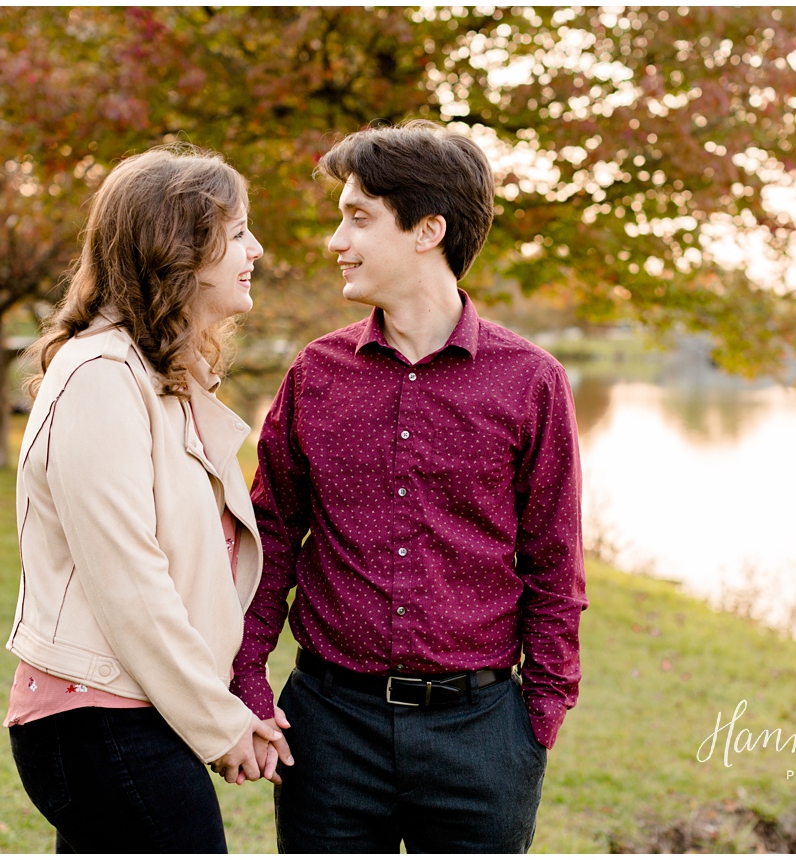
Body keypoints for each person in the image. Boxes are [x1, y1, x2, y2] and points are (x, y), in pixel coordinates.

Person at [229, 121, 587, 853]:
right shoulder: (315, 375)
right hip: (328, 729)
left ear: (428, 230)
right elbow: (269, 534)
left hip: (482, 735)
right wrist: (248, 677)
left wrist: (539, 716)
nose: (338, 241)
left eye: (358, 217)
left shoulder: (531, 382)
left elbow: (554, 560)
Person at [2, 146, 293, 853]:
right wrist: (220, 724)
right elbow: (130, 584)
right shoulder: (102, 377)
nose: (255, 249)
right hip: (99, 719)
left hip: (132, 713)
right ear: (180, 244)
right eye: (239, 230)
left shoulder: (158, 376)